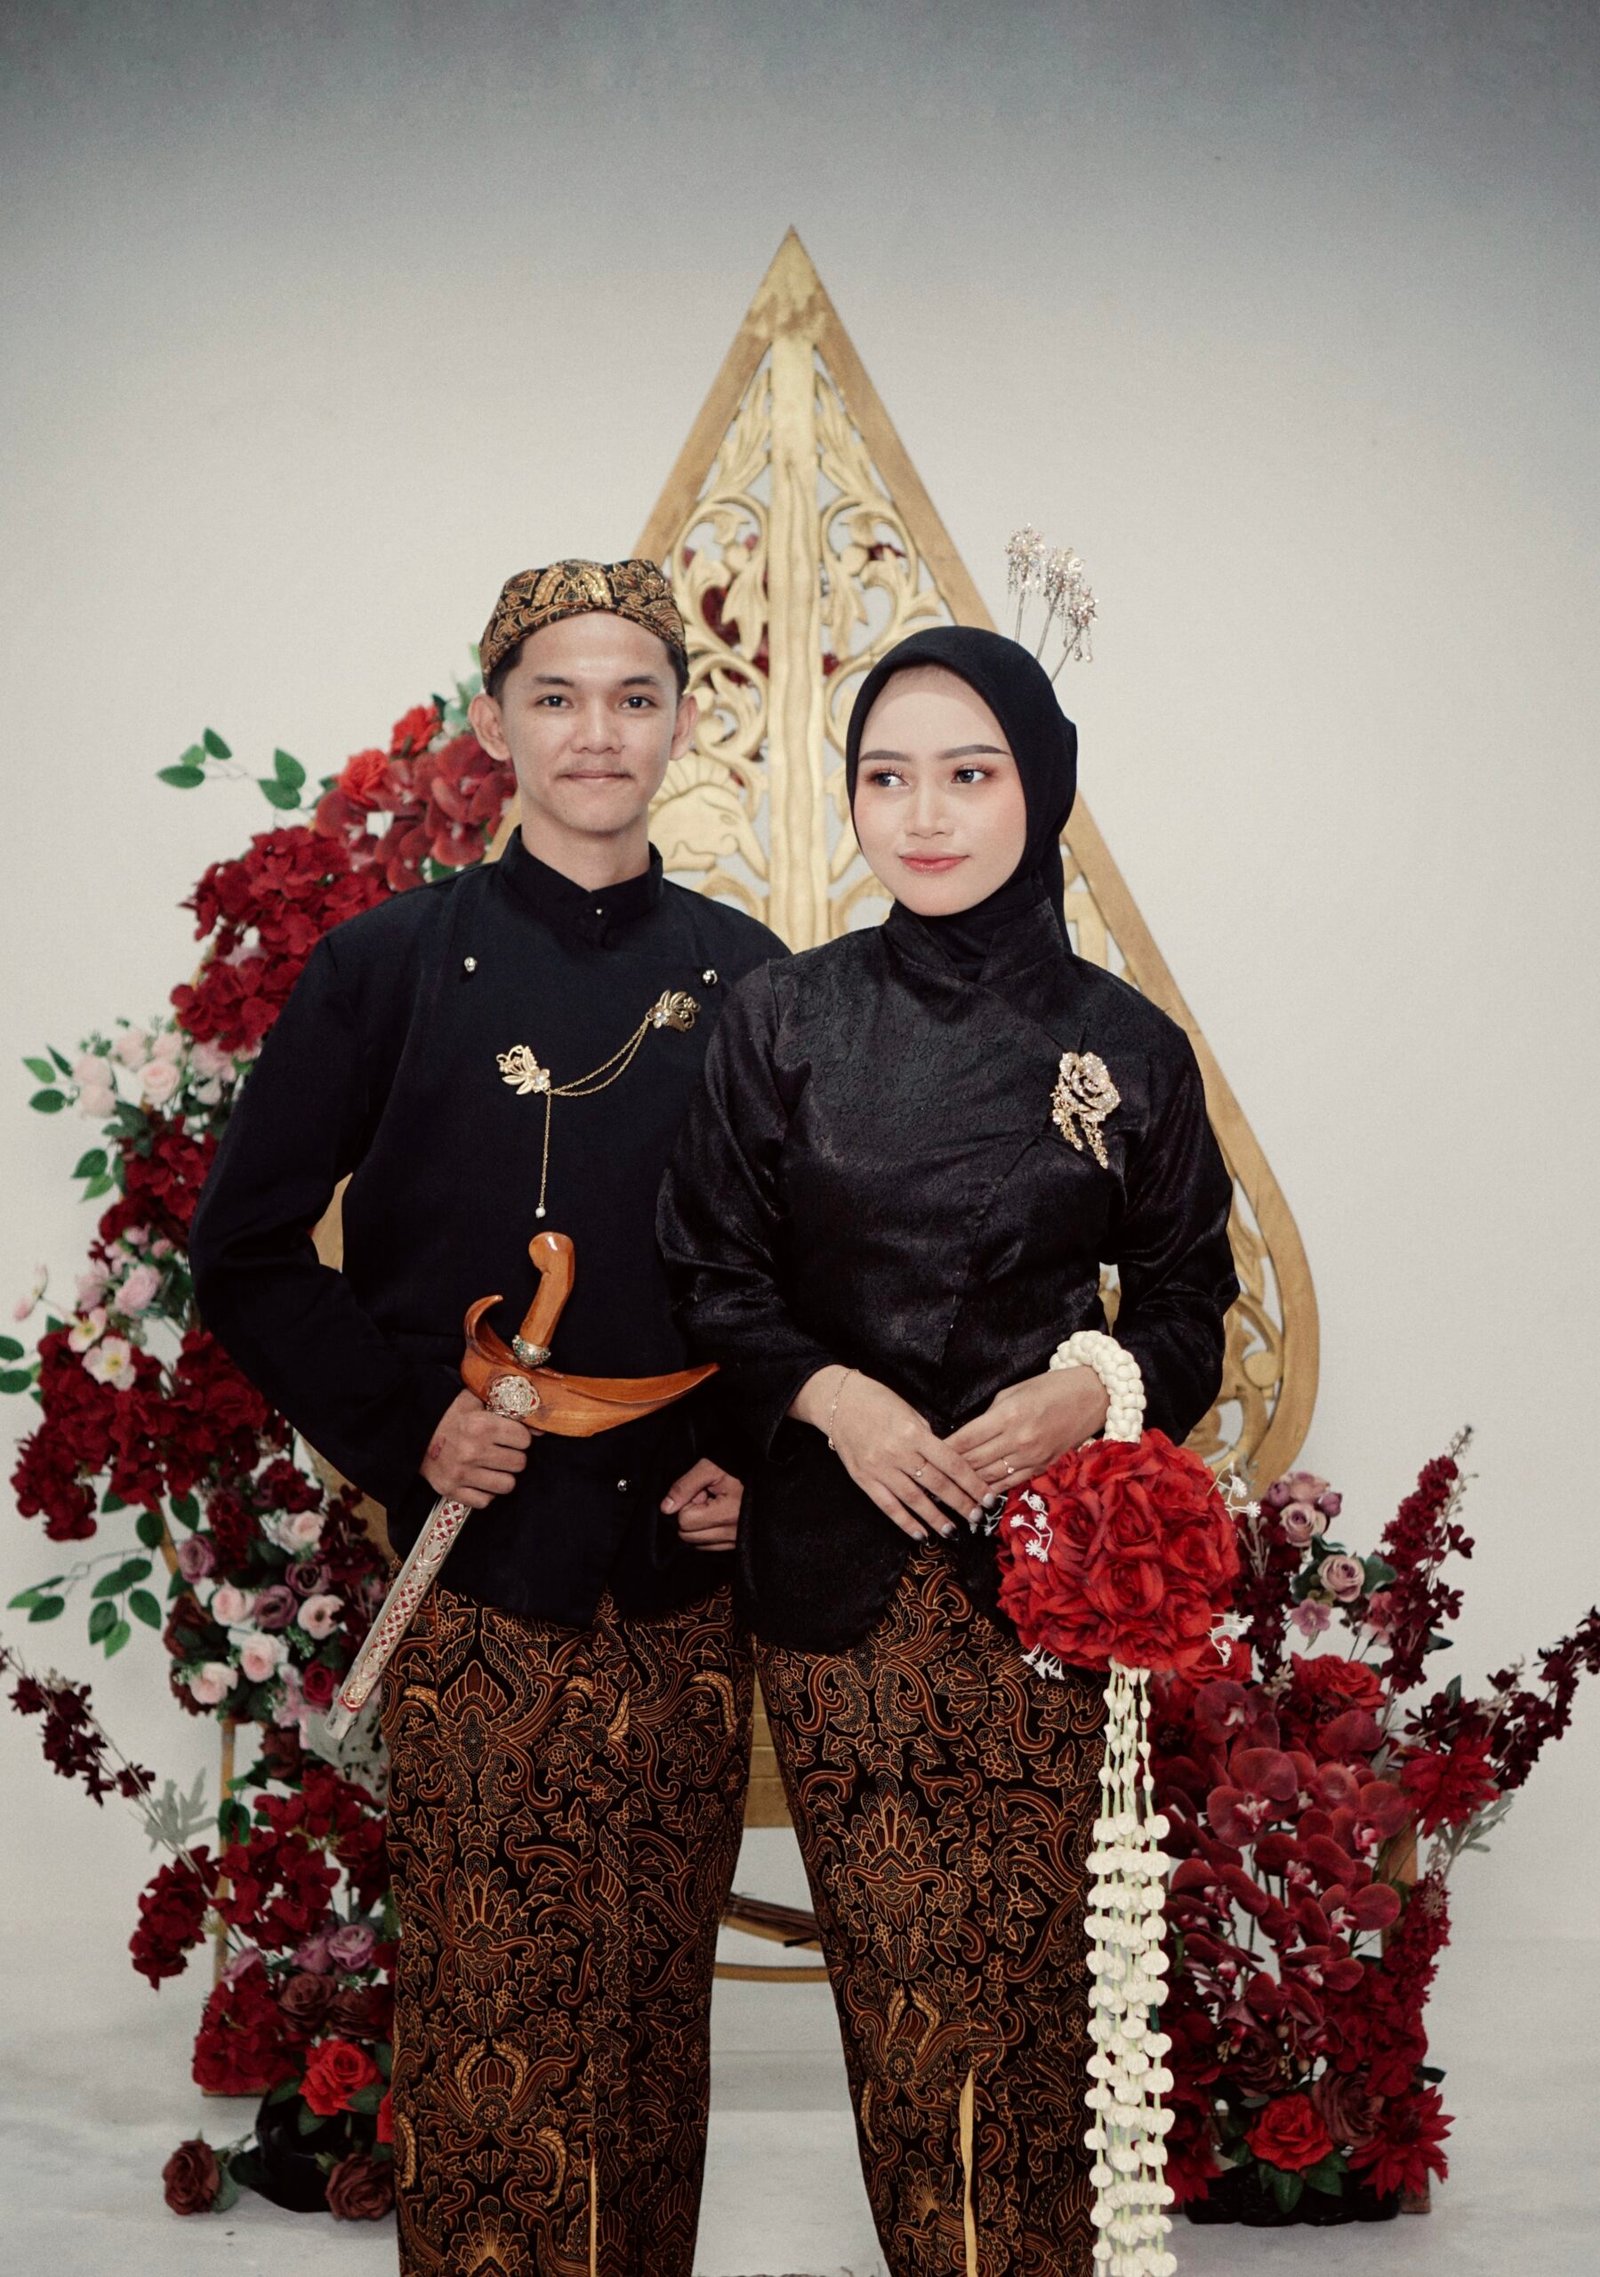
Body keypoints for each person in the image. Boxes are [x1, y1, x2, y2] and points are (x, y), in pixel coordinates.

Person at [189, 558, 785, 2277]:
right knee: (487, 2013)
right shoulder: (385, 964)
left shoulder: (753, 978)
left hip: (680, 1586)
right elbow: (244, 1246)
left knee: (653, 2015)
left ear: (682, 723)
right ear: (495, 722)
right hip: (477, 1582)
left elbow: (809, 1274)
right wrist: (406, 1430)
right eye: (558, 696)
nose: (597, 732)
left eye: (634, 697)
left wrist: (751, 1453)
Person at [658, 625, 1239, 2277]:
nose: (923, 814)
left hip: (1056, 1593)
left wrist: (1089, 1388)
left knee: (1049, 2000)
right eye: (887, 776)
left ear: (1038, 787)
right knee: (910, 2006)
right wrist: (831, 1399)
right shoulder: (783, 1019)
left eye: (967, 774)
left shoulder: (1125, 1044)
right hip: (844, 1592)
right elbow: (708, 1272)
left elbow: (1191, 1301)